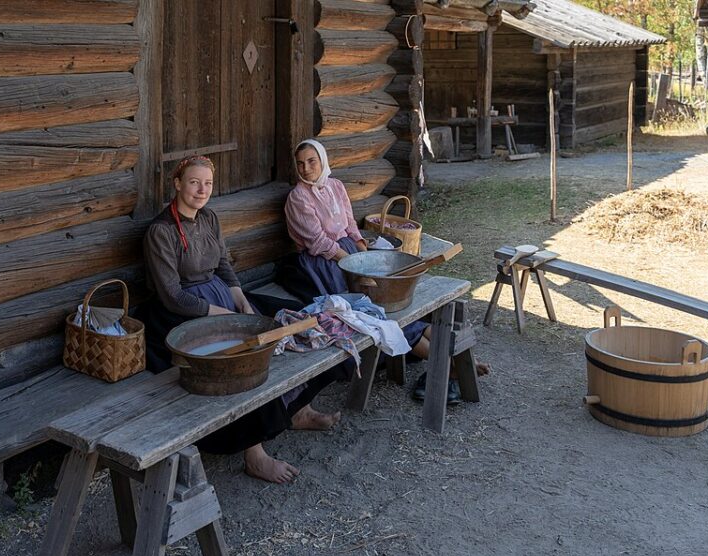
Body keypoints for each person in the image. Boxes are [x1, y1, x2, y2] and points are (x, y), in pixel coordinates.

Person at [141, 155, 339, 484]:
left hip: (220, 296)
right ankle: (254, 454)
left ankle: (297, 409)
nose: (201, 190)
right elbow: (172, 295)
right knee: (238, 366)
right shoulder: (160, 232)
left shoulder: (209, 219)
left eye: (207, 183)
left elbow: (223, 266)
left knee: (285, 332)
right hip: (182, 313)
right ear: (177, 184)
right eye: (193, 182)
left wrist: (242, 302)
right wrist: (225, 316)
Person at [282, 139, 488, 404]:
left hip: (349, 252)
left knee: (392, 306)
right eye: (300, 164)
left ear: (322, 161)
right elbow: (319, 242)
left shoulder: (335, 186)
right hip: (323, 262)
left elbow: (349, 226)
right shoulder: (298, 197)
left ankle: (455, 361)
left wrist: (364, 253)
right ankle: (451, 366)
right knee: (374, 314)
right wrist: (353, 264)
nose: (306, 168)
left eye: (312, 161)